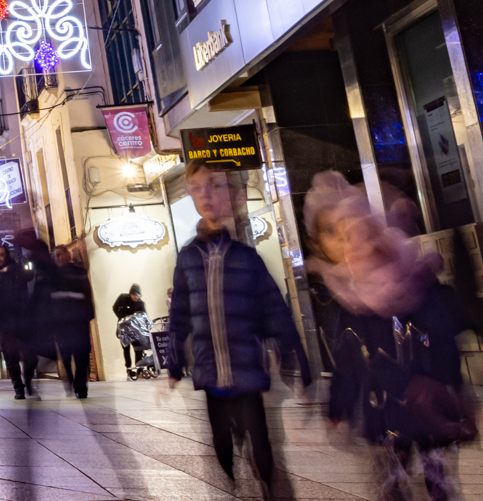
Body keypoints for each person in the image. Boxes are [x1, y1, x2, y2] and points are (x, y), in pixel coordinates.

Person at [306, 171, 470, 501]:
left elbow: (441, 340)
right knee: (390, 484)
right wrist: (337, 409)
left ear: (380, 236)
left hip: (424, 407)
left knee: (438, 480)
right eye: (345, 239)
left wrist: (450, 386)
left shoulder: (416, 286)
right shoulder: (348, 303)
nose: (354, 247)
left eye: (364, 235)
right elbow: (347, 364)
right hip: (381, 414)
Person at [167, 162, 312, 498]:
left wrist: (296, 359)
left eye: (214, 186)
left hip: (246, 370)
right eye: (198, 187)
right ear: (189, 194)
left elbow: (275, 308)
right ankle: (239, 486)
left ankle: (268, 488)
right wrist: (174, 364)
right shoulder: (188, 257)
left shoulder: (246, 257)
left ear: (229, 195)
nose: (206, 194)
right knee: (222, 448)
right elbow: (180, 314)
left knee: (261, 447)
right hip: (210, 372)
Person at [0, 245, 38, 399]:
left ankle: (27, 381)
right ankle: (18, 389)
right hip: (6, 322)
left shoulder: (16, 269)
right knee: (11, 357)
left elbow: (29, 275)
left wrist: (12, 271)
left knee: (30, 355)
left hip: (23, 319)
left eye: (1, 255)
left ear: (7, 255)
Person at [47, 245, 94, 399]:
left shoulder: (80, 273)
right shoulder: (51, 276)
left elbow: (87, 294)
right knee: (66, 354)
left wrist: (89, 314)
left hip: (78, 320)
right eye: (56, 255)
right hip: (61, 322)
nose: (58, 258)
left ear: (68, 255)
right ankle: (71, 379)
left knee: (82, 354)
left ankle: (81, 387)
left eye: (60, 254)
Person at [112, 283, 147, 377]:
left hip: (135, 330)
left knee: (138, 349)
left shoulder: (140, 303)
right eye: (134, 296)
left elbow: (144, 316)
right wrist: (122, 318)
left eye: (137, 296)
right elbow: (115, 307)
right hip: (124, 329)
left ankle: (139, 368)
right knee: (126, 349)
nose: (136, 298)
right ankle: (129, 369)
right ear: (130, 294)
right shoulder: (123, 298)